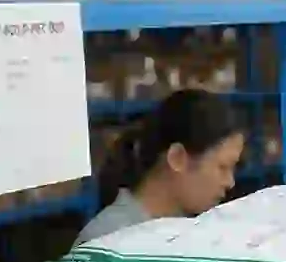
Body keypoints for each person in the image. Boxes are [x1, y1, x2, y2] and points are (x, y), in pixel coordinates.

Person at [75, 88, 244, 246]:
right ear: (177, 158)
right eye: (223, 167)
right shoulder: (106, 241)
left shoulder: (189, 230)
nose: (230, 182)